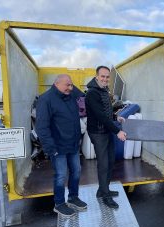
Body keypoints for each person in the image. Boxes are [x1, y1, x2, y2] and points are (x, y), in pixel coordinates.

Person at [36, 74, 87, 218]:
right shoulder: (45, 99)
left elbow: (82, 96)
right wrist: (50, 148)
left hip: (73, 144)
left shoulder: (70, 96)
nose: (70, 88)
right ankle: (59, 204)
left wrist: (71, 87)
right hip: (58, 147)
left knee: (76, 171)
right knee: (60, 175)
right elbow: (42, 127)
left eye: (71, 85)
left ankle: (73, 197)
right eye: (67, 85)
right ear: (56, 84)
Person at [85, 65, 126, 209]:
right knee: (103, 164)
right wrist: (117, 131)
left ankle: (103, 190)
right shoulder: (92, 93)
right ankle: (105, 196)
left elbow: (106, 111)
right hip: (98, 132)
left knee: (110, 161)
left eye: (107, 77)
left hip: (106, 130)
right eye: (102, 76)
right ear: (96, 77)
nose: (105, 79)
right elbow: (100, 115)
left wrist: (116, 117)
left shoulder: (104, 90)